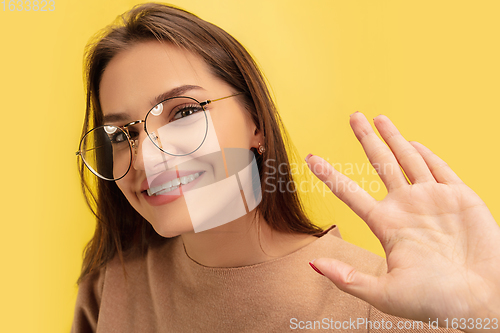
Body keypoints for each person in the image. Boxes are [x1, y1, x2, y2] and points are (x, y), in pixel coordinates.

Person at [72, 3, 500, 332]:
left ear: (256, 124)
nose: (146, 156)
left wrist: (488, 310)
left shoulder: (387, 299)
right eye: (119, 136)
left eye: (183, 114)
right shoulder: (111, 288)